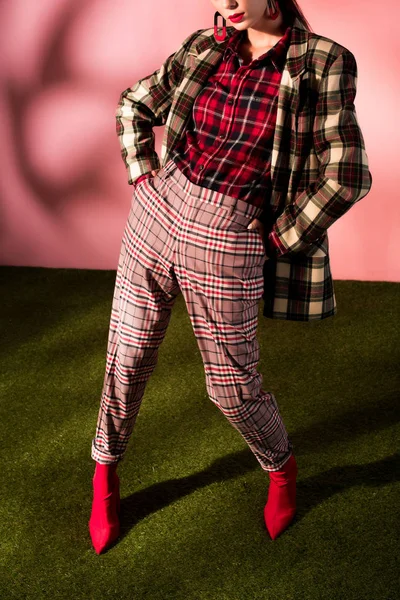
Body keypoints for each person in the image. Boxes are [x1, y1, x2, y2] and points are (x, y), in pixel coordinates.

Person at [88, 0, 372, 554]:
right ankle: (104, 477)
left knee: (231, 389)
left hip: (231, 231)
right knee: (126, 358)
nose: (229, 3)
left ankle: (281, 470)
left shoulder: (321, 62)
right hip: (155, 212)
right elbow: (133, 105)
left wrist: (279, 236)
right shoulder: (204, 45)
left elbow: (347, 172)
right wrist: (142, 172)